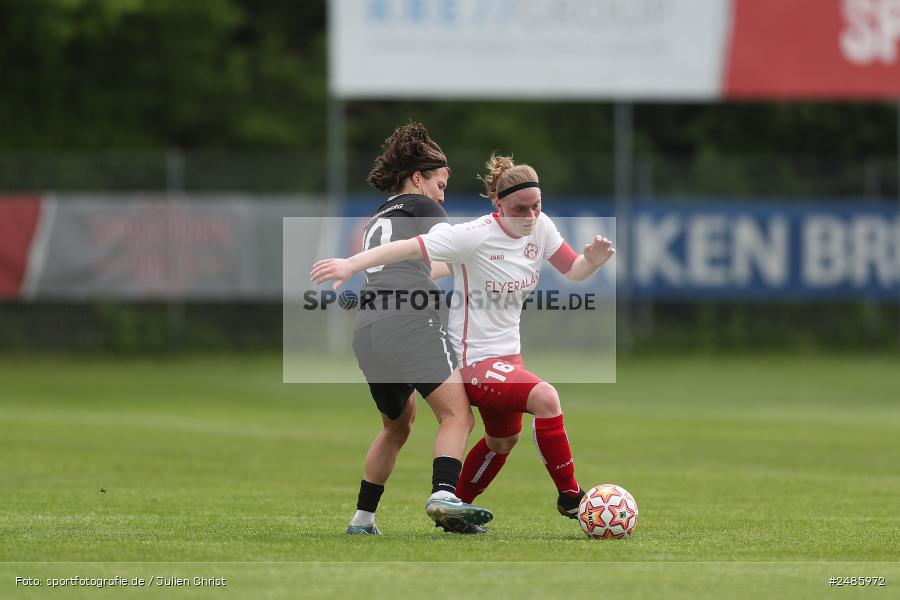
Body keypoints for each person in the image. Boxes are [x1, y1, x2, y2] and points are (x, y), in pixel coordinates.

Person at [311, 153, 615, 521]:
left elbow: (575, 269)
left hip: (508, 359)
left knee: (502, 442)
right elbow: (408, 249)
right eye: (521, 208)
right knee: (546, 398)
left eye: (537, 206)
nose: (531, 215)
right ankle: (570, 497)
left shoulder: (542, 227)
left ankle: (454, 509)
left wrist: (594, 260)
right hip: (474, 362)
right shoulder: (474, 234)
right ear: (498, 204)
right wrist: (351, 265)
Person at [336, 122, 492, 535]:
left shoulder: (378, 219)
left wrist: (460, 265)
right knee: (458, 415)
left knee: (397, 425)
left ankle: (362, 519)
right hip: (409, 322)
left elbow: (423, 264)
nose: (442, 195)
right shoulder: (424, 209)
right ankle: (444, 496)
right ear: (418, 178)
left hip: (369, 330)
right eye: (439, 184)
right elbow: (450, 241)